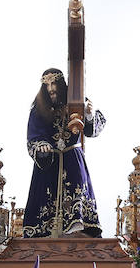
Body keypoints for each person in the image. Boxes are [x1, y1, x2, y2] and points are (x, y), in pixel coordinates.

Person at [21, 68, 105, 238]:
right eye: (47, 85)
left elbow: (93, 129)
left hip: (72, 157)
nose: (51, 89)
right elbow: (33, 135)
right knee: (45, 195)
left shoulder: (77, 101)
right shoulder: (38, 109)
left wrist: (89, 114)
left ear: (60, 84)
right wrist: (41, 147)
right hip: (49, 161)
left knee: (77, 187)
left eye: (53, 84)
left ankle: (79, 224)